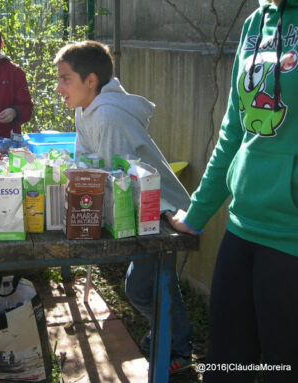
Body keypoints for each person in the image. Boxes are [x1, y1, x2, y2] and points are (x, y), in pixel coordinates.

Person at [167, 0, 298, 381]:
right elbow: (233, 131)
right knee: (226, 361)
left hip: (291, 236)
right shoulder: (256, 23)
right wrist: (196, 213)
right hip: (243, 225)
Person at [54, 40, 193, 374]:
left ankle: (177, 350)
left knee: (142, 288)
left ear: (91, 81)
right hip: (137, 206)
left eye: (65, 79)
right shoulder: (86, 107)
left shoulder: (109, 119)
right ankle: (171, 338)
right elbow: (87, 164)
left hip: (159, 211)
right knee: (154, 285)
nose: (58, 87)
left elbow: (120, 180)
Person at [0, 21, 33, 139]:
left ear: (1, 45)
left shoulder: (15, 72)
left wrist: (15, 112)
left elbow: (27, 109)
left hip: (7, 140)